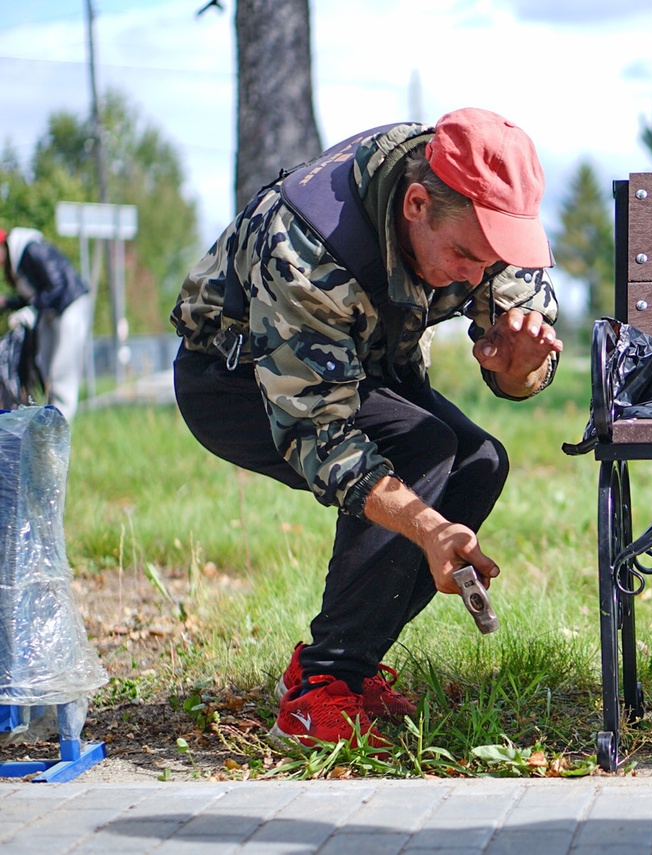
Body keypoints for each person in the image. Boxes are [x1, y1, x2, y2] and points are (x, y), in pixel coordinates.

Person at [170, 109, 562, 748]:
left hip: (366, 362)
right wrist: (429, 529)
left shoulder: (485, 218)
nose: (474, 276)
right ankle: (322, 690)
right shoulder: (304, 248)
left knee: (480, 460)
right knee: (421, 446)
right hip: (238, 377)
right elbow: (323, 438)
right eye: (464, 255)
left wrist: (520, 372)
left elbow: (521, 359)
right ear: (415, 204)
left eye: (488, 261)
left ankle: (345, 660)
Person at [0, 228, 93, 421]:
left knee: (62, 372)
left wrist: (31, 309)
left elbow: (57, 285)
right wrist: (9, 303)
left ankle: (59, 429)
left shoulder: (31, 250)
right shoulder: (18, 260)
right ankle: (49, 426)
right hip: (51, 314)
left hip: (69, 308)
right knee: (46, 370)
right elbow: (37, 295)